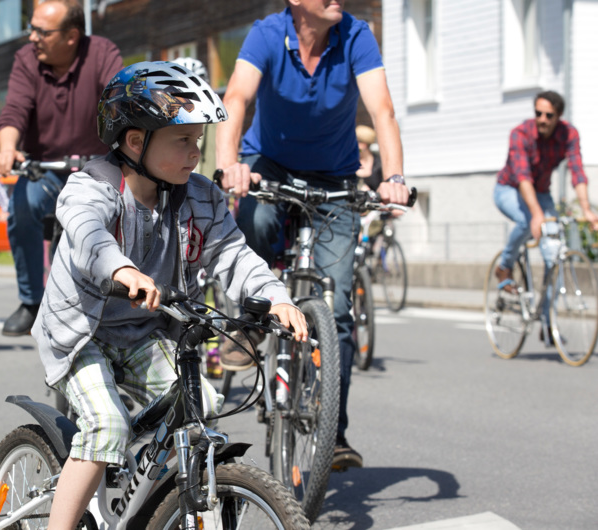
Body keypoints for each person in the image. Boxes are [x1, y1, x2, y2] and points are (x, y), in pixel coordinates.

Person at [35, 61, 309, 529]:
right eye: (183, 140)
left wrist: (275, 296)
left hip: (145, 332)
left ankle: (156, 503)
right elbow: (87, 235)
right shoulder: (94, 186)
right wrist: (122, 268)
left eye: (199, 141)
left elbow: (233, 255)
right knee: (107, 425)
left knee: (201, 407)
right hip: (83, 335)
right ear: (136, 141)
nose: (195, 153)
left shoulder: (199, 198)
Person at [215, 2, 409, 469]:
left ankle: (334, 433)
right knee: (258, 223)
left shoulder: (356, 36)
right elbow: (237, 97)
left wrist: (395, 176)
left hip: (336, 178)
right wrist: (229, 164)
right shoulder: (267, 34)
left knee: (338, 310)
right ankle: (250, 320)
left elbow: (381, 108)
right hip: (270, 169)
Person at [0, 0, 122, 336]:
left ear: (71, 36)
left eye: (42, 31)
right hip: (45, 167)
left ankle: (119, 293)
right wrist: (8, 148)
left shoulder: (103, 53)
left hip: (97, 167)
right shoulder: (26, 61)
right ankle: (32, 300)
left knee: (123, 214)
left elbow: (120, 100)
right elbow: (15, 110)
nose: (33, 37)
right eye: (31, 28)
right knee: (22, 207)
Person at [494, 91, 598, 296]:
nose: (542, 119)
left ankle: (546, 322)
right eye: (538, 113)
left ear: (558, 116)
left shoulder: (568, 134)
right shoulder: (520, 133)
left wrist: (586, 209)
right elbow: (523, 176)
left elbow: (577, 171)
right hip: (509, 189)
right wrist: (536, 213)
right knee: (527, 221)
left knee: (553, 252)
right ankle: (504, 267)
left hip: (541, 192)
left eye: (548, 115)